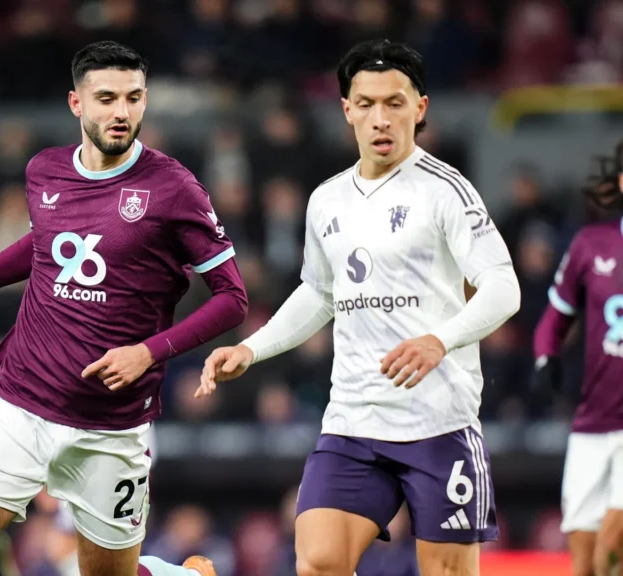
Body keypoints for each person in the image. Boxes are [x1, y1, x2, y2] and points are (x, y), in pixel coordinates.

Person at [0, 40, 247, 576]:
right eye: (106, 98)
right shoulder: (45, 170)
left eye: (133, 98)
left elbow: (232, 299)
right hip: (17, 403)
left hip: (110, 426)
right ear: (76, 103)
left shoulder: (173, 188)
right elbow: (43, 246)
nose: (121, 112)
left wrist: (147, 353)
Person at [199, 39, 521, 576]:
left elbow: (503, 286)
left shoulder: (446, 190)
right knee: (318, 563)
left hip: (438, 422)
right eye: (366, 104)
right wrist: (251, 349)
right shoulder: (327, 199)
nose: (380, 118)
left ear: (419, 108)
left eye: (395, 103)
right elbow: (319, 293)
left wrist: (439, 341)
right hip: (353, 421)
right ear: (347, 110)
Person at [533, 143, 623, 576]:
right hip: (593, 420)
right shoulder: (591, 244)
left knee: (612, 545)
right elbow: (556, 314)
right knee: (585, 562)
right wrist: (545, 357)